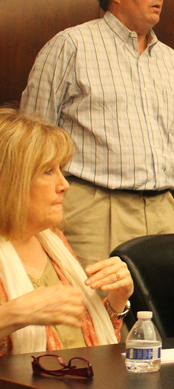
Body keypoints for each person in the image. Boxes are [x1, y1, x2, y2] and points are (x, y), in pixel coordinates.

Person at [20, 0, 174, 269]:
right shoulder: (71, 46)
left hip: (162, 209)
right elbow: (30, 143)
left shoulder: (170, 59)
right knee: (97, 315)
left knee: (162, 316)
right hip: (94, 211)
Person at [0, 109, 134, 355]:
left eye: (61, 170)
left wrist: (117, 299)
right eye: (48, 171)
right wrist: (14, 314)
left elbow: (88, 344)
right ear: (11, 180)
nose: (64, 185)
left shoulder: (53, 242)